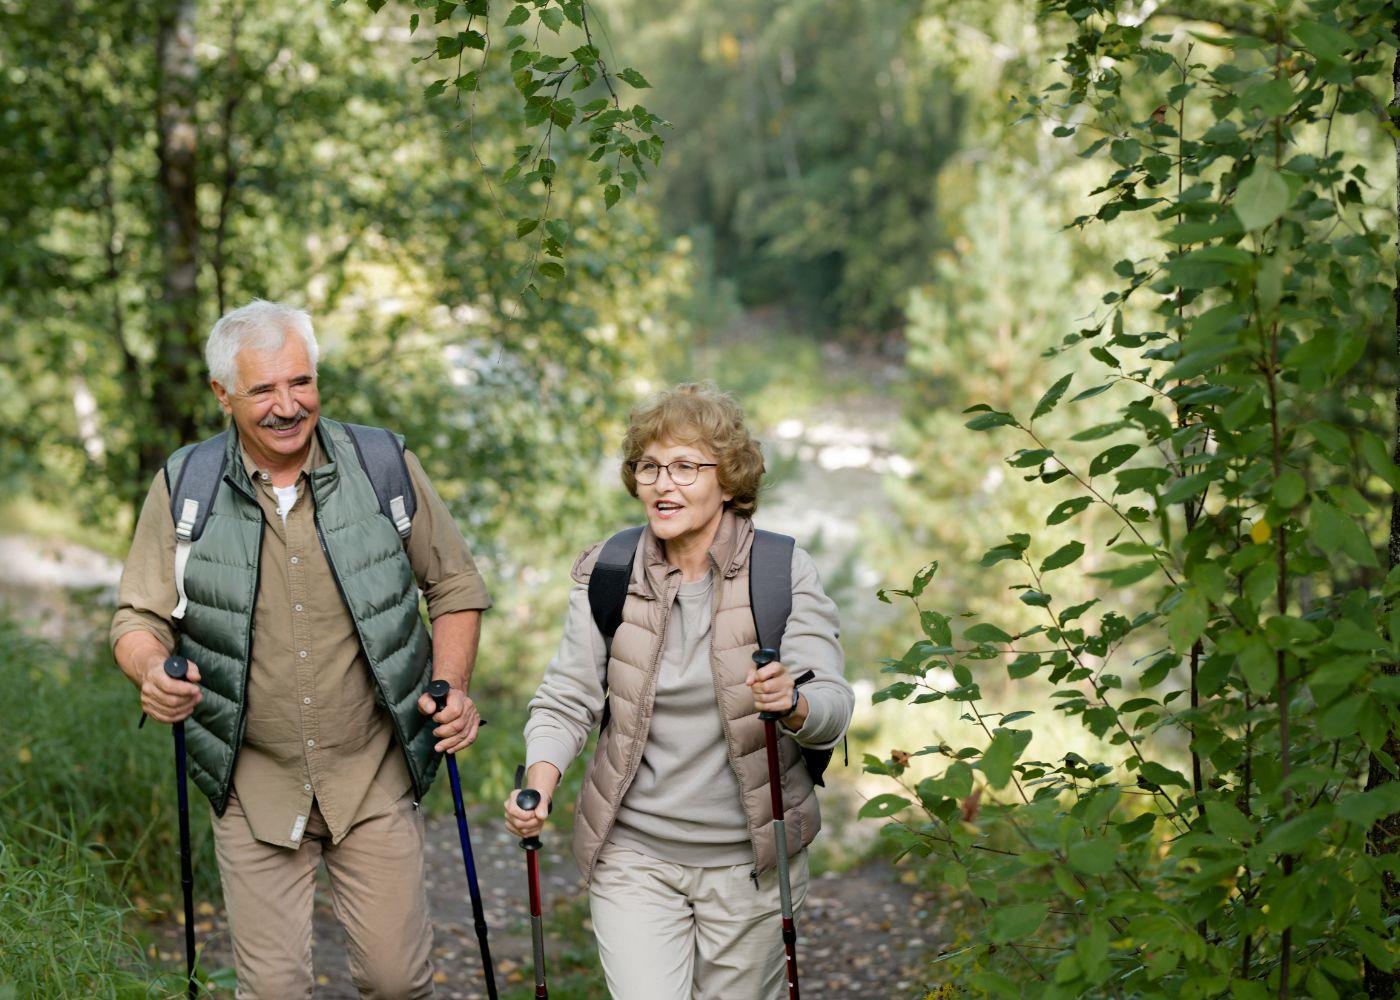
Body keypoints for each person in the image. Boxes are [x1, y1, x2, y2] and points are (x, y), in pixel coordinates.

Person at [111, 299, 491, 998]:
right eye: (263, 390)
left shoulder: (383, 464)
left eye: (301, 382)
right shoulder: (185, 486)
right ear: (223, 395)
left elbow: (455, 585)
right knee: (275, 991)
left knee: (398, 983)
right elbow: (138, 615)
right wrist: (149, 670)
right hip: (253, 780)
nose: (288, 406)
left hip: (371, 770)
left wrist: (451, 684)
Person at [504, 382, 853, 999]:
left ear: (729, 479)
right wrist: (538, 785)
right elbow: (567, 697)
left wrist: (792, 703)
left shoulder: (780, 571)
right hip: (634, 856)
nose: (664, 484)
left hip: (751, 864)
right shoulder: (609, 571)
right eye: (650, 467)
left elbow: (831, 705)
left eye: (687, 467)